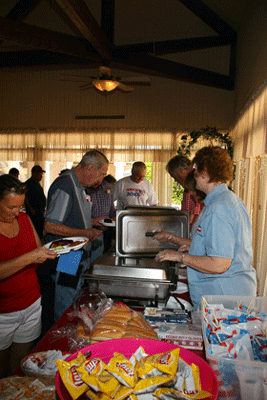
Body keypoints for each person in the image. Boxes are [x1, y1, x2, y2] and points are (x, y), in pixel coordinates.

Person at [155, 147, 257, 309]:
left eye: (196, 170)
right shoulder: (227, 200)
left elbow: (218, 263)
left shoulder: (219, 208)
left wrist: (179, 257)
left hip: (224, 297)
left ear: (205, 172)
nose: (193, 174)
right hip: (228, 292)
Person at [0, 175, 57, 378]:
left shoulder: (23, 218)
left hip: (31, 303)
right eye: (11, 207)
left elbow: (37, 250)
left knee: (21, 365)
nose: (16, 212)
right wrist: (31, 256)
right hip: (4, 312)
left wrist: (58, 250)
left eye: (20, 207)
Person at [44, 150, 109, 321]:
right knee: (65, 300)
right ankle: (61, 337)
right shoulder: (65, 186)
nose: (101, 180)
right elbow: (51, 225)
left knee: (75, 296)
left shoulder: (79, 186)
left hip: (78, 254)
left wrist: (92, 222)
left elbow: (73, 219)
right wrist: (85, 232)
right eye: (101, 174)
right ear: (89, 168)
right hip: (68, 255)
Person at [152, 170, 206, 248]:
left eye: (194, 190)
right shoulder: (206, 209)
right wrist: (169, 237)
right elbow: (196, 243)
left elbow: (203, 246)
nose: (191, 194)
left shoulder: (213, 210)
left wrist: (181, 256)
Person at [166, 155, 203, 228]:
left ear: (181, 171)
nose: (176, 180)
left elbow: (191, 216)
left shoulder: (195, 181)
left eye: (174, 176)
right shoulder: (191, 182)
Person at [85, 179, 116, 254]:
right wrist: (91, 220)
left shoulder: (107, 186)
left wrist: (116, 218)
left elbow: (111, 207)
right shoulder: (83, 187)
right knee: (84, 259)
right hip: (85, 231)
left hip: (105, 230)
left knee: (100, 257)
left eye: (103, 174)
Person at [24, 165, 46, 239]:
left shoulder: (38, 184)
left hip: (40, 213)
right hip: (33, 214)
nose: (41, 177)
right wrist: (31, 210)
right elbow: (25, 198)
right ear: (34, 174)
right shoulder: (28, 184)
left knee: (40, 233)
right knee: (34, 234)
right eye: (39, 175)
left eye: (41, 175)